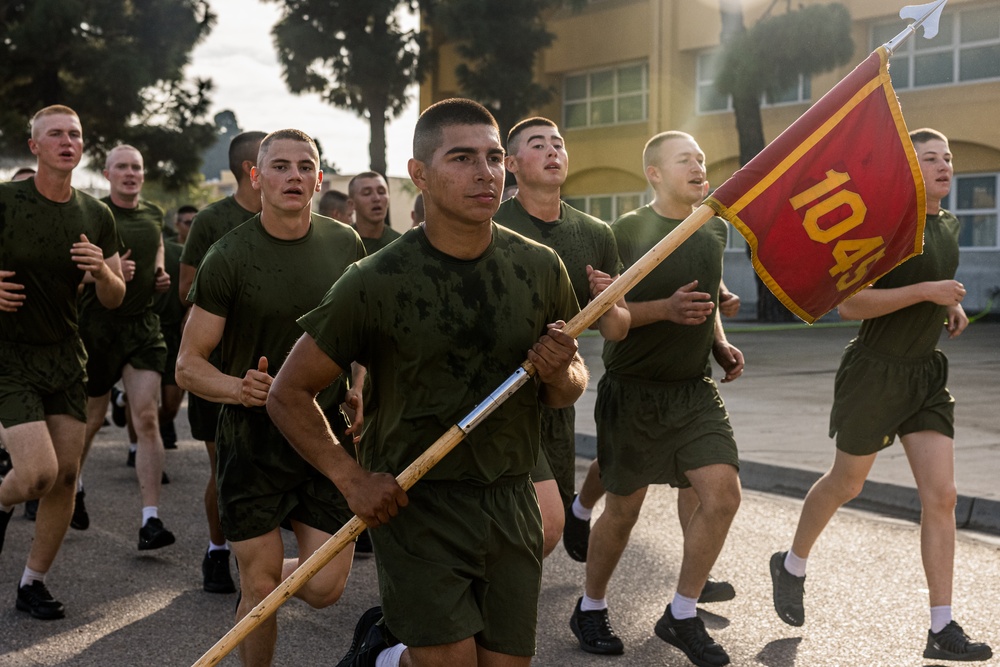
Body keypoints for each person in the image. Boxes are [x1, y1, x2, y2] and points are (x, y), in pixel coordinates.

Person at [267, 98, 587, 667]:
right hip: (416, 500)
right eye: (461, 158)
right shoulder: (372, 281)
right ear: (420, 175)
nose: (484, 172)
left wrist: (562, 368)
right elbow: (287, 393)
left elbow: (567, 389)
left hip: (510, 496)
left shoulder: (540, 268)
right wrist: (350, 479)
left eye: (492, 158)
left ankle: (385, 659)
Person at [769, 128, 993, 662]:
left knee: (942, 498)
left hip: (924, 377)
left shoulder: (949, 224)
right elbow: (851, 305)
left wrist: (947, 307)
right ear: (907, 168)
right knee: (847, 482)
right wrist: (926, 293)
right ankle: (791, 562)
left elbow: (935, 284)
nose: (944, 166)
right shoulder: (890, 224)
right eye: (930, 158)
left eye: (949, 158)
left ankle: (942, 627)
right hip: (874, 374)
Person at [177, 128, 366, 667]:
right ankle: (255, 584)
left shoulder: (344, 244)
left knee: (326, 587)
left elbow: (358, 335)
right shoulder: (228, 256)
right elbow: (188, 365)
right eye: (280, 166)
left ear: (320, 178)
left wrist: (357, 388)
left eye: (306, 166)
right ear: (256, 178)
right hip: (252, 439)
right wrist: (237, 388)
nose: (294, 176)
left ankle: (256, 581)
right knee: (260, 590)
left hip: (323, 438)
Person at [569, 131, 743, 667]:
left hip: (694, 390)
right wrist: (664, 310)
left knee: (723, 495)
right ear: (655, 174)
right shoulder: (623, 234)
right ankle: (590, 605)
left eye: (700, 157)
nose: (698, 165)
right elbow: (608, 320)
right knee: (624, 511)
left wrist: (718, 339)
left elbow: (707, 293)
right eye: (684, 159)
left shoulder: (712, 227)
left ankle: (682, 613)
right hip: (634, 392)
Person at [0, 105, 126, 619]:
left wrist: (101, 271)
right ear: (34, 146)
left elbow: (117, 295)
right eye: (55, 134)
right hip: (9, 353)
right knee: (35, 475)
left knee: (66, 477)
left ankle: (33, 582)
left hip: (65, 355)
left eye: (74, 133)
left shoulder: (97, 214)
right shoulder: (7, 200)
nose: (66, 141)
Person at [493, 116, 630, 558]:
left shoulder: (595, 233)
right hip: (492, 395)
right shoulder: (489, 225)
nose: (553, 151)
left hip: (555, 397)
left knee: (540, 533)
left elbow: (618, 329)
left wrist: (607, 298)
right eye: (538, 145)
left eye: (558, 143)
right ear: (511, 163)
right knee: (528, 524)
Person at [179, 130, 266, 594]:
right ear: (253, 169)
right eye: (274, 161)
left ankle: (264, 558)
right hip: (220, 367)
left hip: (275, 368)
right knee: (225, 468)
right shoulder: (213, 220)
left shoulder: (292, 219)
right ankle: (217, 550)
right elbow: (184, 291)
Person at [75, 145, 172, 546]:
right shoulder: (91, 213)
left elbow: (158, 247)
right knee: (91, 420)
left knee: (148, 418)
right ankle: (72, 487)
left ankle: (150, 520)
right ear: (107, 173)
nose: (130, 173)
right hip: (97, 328)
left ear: (143, 175)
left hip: (142, 327)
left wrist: (158, 272)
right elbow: (70, 274)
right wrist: (109, 274)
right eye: (122, 167)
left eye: (136, 167)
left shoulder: (153, 213)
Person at [156, 205, 197, 450]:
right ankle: (140, 443)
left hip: (182, 337)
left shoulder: (205, 251)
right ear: (176, 224)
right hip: (157, 330)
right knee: (145, 402)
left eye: (195, 222)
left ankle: (158, 425)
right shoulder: (164, 250)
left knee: (171, 405)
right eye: (186, 222)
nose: (191, 227)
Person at [348, 171, 400, 254]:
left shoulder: (400, 245)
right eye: (367, 193)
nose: (376, 198)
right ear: (352, 204)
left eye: (381, 192)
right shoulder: (342, 243)